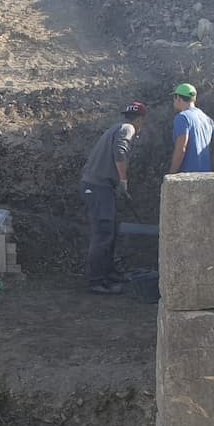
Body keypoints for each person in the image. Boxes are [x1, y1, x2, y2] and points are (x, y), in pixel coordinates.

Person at [80, 101, 146, 295]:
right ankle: (96, 281)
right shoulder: (127, 129)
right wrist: (123, 181)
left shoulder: (116, 127)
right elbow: (120, 152)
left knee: (110, 232)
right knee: (103, 234)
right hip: (97, 187)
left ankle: (109, 273)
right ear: (141, 119)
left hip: (101, 187)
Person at [168, 83, 214, 174]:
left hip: (187, 178)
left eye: (174, 98)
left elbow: (181, 147)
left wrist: (171, 175)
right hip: (206, 178)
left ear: (178, 98)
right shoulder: (207, 118)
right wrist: (211, 167)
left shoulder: (182, 117)